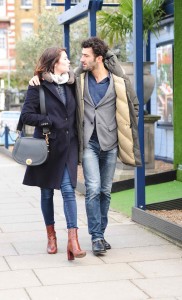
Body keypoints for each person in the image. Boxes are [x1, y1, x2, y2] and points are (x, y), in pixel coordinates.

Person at [29, 37, 141, 256]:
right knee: (92, 188)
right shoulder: (78, 80)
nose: (80, 60)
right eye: (79, 56)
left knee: (106, 192)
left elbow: (133, 105)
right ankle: (95, 237)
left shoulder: (118, 81)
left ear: (99, 58)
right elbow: (55, 80)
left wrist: (126, 127)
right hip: (88, 142)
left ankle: (101, 232)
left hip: (110, 143)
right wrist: (37, 77)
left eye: (85, 56)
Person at [20, 46, 86, 261]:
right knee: (47, 193)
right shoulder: (37, 86)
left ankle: (73, 241)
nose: (69, 62)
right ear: (54, 63)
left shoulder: (72, 82)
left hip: (68, 145)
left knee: (68, 190)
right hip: (47, 146)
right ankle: (51, 237)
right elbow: (27, 116)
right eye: (65, 59)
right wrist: (49, 120)